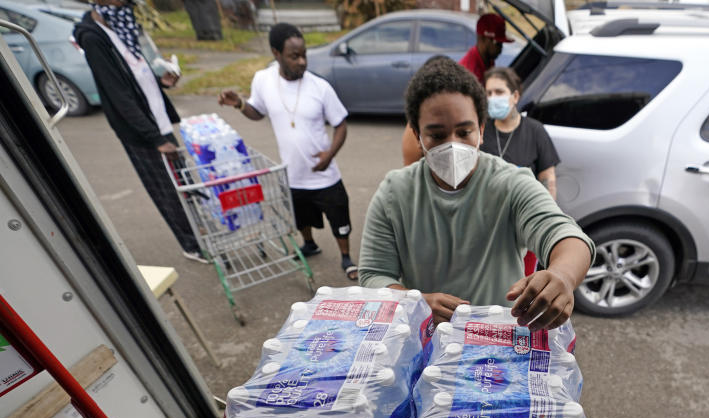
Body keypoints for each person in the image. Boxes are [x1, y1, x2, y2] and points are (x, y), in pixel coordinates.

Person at [359, 58, 594, 331]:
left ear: (481, 130)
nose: (452, 145)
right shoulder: (395, 193)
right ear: (417, 136)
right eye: (436, 135)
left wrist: (562, 276)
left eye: (464, 131)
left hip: (498, 339)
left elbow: (566, 235)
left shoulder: (511, 184)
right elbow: (374, 274)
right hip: (424, 337)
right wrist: (416, 304)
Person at [218, 23, 358, 280]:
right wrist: (239, 103)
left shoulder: (320, 87)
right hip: (292, 174)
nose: (302, 61)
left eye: (304, 54)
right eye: (295, 56)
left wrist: (330, 155)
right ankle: (310, 244)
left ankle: (346, 257)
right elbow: (258, 111)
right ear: (276, 53)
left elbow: (340, 124)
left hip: (324, 174)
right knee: (301, 216)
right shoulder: (263, 80)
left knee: (338, 217)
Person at [74, 0, 207, 263]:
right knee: (167, 191)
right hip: (142, 132)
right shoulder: (93, 37)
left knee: (184, 183)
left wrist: (161, 82)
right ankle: (191, 245)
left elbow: (134, 76)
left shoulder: (119, 25)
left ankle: (200, 231)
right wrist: (154, 138)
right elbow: (118, 94)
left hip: (158, 121)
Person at [399, 15, 512, 166]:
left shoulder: (488, 62)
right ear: (484, 39)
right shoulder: (468, 75)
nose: (500, 49)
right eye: (498, 44)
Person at [481, 66, 560, 275]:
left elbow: (547, 179)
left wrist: (542, 221)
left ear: (515, 96)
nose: (492, 98)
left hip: (522, 226)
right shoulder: (481, 130)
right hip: (484, 227)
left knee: (520, 285)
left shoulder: (534, 131)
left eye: (498, 92)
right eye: (488, 93)